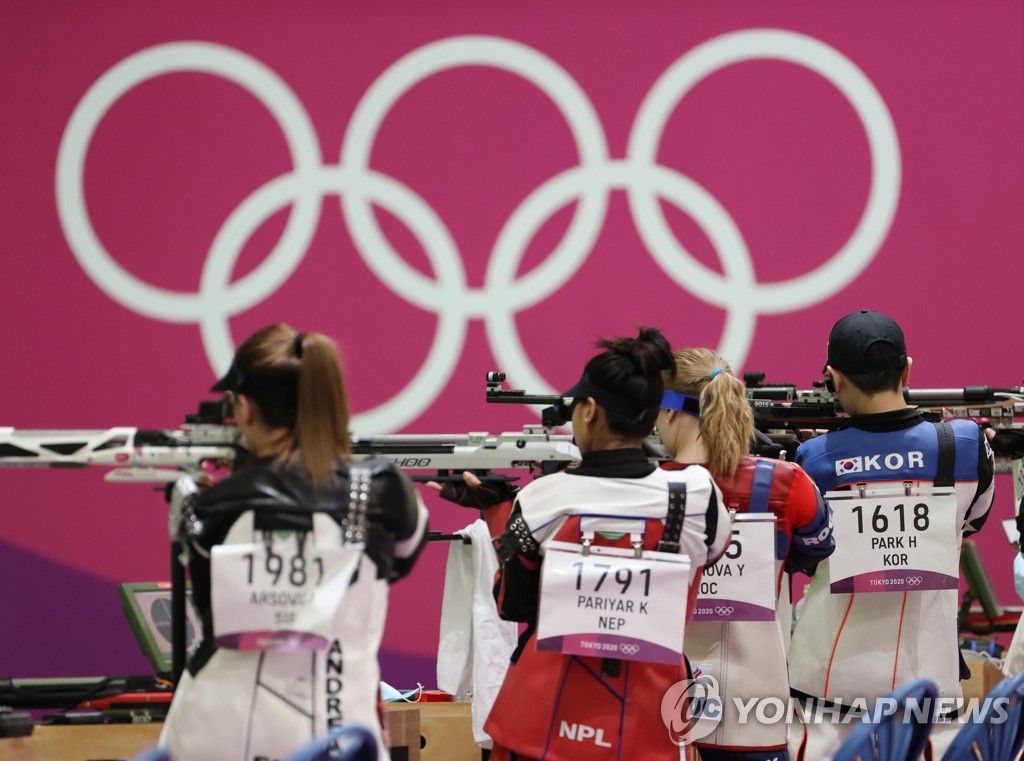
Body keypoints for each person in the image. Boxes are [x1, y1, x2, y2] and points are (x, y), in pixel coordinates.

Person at [159, 324, 429, 761]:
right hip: (341, 734)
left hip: (214, 732)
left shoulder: (207, 505)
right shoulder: (386, 492)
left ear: (244, 408)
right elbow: (404, 556)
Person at [476, 326, 733, 761]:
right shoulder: (696, 495)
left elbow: (512, 605)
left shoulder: (540, 497)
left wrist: (497, 512)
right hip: (651, 721)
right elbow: (711, 553)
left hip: (543, 723)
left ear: (590, 411)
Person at [786, 310, 995, 761]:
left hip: (827, 693)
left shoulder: (812, 460)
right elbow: (971, 522)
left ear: (835, 381)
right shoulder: (966, 446)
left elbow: (803, 553)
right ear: (907, 370)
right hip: (929, 697)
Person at [656, 347, 835, 761]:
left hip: (665, 710)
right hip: (758, 713)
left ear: (668, 413)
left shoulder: (644, 492)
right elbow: (815, 550)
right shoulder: (789, 484)